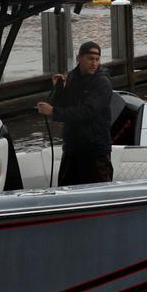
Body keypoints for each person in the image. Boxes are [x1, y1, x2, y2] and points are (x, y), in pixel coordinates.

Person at [36, 40, 114, 186]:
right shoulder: (71, 77)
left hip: (94, 150)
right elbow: (63, 104)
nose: (94, 63)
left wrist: (53, 111)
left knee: (98, 193)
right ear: (79, 58)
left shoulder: (102, 82)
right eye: (90, 59)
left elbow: (87, 111)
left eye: (97, 59)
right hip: (72, 148)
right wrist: (59, 88)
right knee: (66, 190)